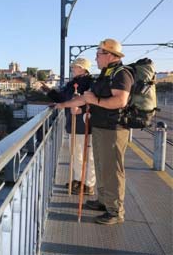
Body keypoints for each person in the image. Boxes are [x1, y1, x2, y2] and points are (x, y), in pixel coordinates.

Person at [56, 38, 134, 225]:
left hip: (113, 129)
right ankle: (103, 201)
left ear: (109, 55)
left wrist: (93, 101)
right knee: (100, 166)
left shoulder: (121, 74)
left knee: (112, 170)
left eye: (98, 54)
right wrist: (63, 104)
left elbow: (120, 101)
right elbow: (85, 98)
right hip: (100, 127)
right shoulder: (105, 75)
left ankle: (115, 211)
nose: (96, 58)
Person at [44, 58, 96, 195]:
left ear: (83, 68)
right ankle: (79, 181)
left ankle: (88, 184)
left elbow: (92, 100)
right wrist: (46, 90)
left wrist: (81, 108)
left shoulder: (91, 83)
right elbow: (62, 99)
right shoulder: (73, 83)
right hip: (73, 122)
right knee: (76, 154)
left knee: (86, 155)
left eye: (75, 67)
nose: (72, 69)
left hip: (84, 123)